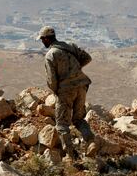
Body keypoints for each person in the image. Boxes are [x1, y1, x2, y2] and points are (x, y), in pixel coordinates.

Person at [37, 26, 98, 161]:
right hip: (81, 85)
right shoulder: (69, 46)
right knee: (79, 119)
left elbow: (52, 80)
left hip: (66, 90)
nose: (42, 42)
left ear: (47, 39)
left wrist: (56, 91)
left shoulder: (50, 55)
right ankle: (91, 142)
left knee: (62, 124)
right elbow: (87, 58)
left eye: (42, 39)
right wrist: (75, 70)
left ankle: (70, 156)